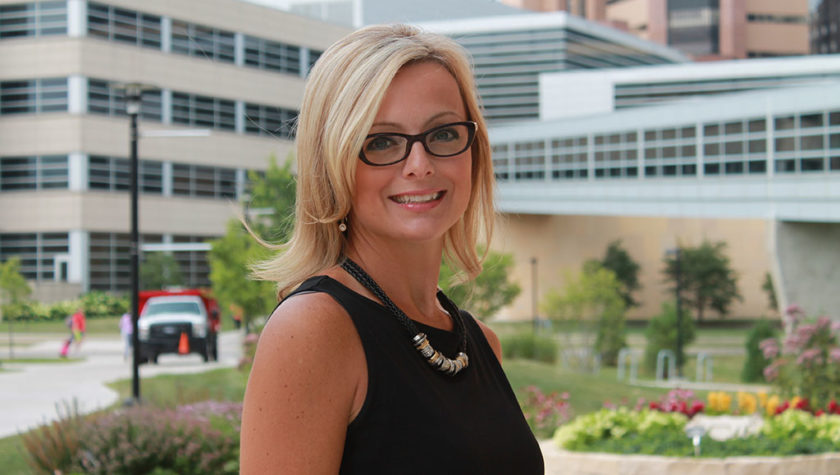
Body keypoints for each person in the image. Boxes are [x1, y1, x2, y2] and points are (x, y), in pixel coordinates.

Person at [239, 24, 544, 473]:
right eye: (381, 142)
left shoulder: (479, 343)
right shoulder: (314, 331)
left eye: (442, 134)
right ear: (333, 163)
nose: (419, 165)